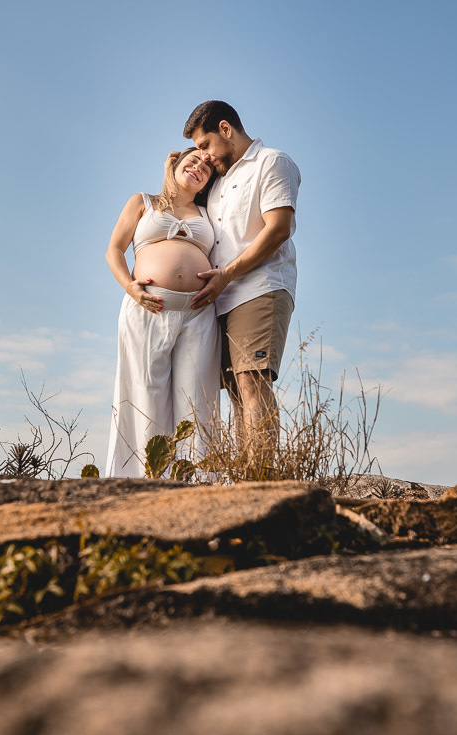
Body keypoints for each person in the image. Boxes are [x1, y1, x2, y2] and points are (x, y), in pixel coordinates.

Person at [181, 100, 301, 474]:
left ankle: (260, 480)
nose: (203, 156)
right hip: (222, 298)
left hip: (259, 287)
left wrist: (228, 274)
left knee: (252, 381)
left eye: (204, 146)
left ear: (226, 129)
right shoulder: (216, 184)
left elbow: (278, 229)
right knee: (234, 390)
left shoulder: (272, 162)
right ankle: (246, 476)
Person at [103, 148, 220, 478]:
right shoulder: (143, 202)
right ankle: (142, 483)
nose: (198, 167)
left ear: (207, 184)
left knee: (196, 401)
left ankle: (197, 487)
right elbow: (114, 249)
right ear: (174, 164)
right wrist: (130, 287)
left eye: (206, 169)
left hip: (197, 315)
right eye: (191, 161)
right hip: (148, 309)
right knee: (146, 394)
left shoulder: (209, 212)